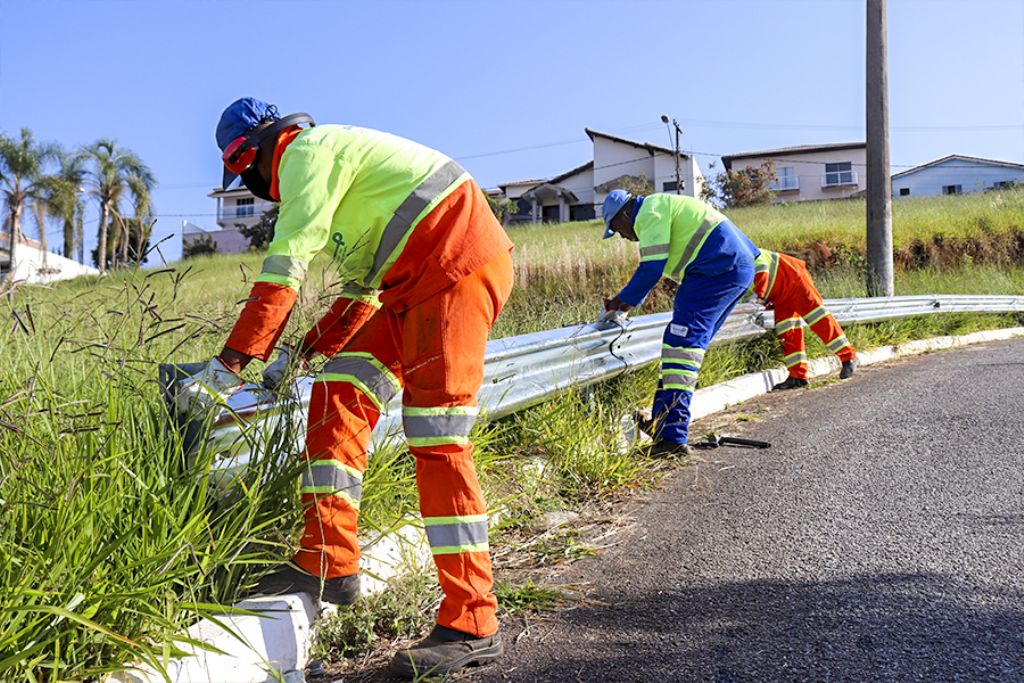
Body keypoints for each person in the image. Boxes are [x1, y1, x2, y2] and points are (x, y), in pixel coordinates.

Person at [176, 97, 513, 677]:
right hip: (411, 287)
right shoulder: (343, 182)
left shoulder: (306, 152)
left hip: (455, 267)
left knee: (438, 440)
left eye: (246, 174)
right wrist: (299, 357)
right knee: (337, 394)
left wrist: (228, 368)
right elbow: (360, 294)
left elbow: (286, 263)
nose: (256, 187)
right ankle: (329, 559)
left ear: (254, 155)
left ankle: (472, 620)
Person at [601, 189, 759, 455]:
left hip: (714, 270)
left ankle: (672, 438)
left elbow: (651, 268)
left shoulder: (649, 212)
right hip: (732, 268)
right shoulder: (660, 206)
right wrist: (627, 302)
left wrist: (620, 301)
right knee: (680, 349)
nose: (623, 237)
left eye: (616, 229)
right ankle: (662, 425)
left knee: (681, 345)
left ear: (624, 214)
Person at [750, 249, 858, 390]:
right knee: (788, 332)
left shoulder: (741, 250)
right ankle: (797, 376)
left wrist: (758, 295)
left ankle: (849, 357)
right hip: (780, 294)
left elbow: (761, 268)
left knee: (819, 319)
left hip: (795, 279)